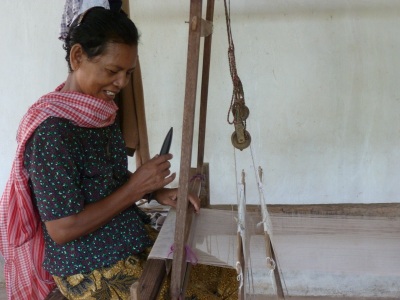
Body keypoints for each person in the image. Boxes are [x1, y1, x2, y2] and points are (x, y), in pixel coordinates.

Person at [0, 7, 200, 300]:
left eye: (128, 73)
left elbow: (106, 180)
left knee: (213, 274)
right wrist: (136, 188)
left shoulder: (98, 112)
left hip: (124, 238)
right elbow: (62, 228)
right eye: (112, 71)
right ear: (77, 56)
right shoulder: (52, 132)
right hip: (87, 266)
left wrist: (153, 193)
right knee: (197, 291)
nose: (121, 83)